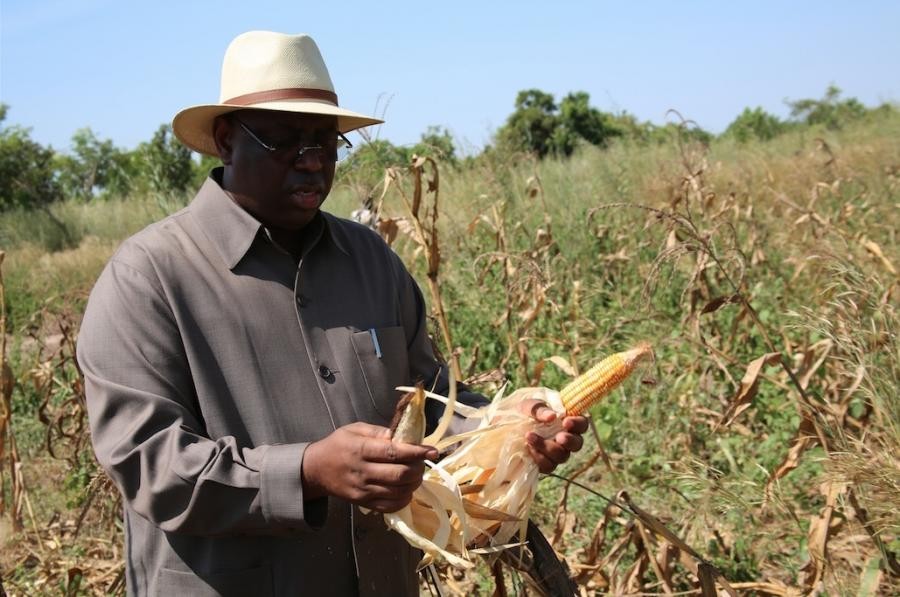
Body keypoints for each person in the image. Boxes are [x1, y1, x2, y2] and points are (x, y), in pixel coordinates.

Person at [77, 31, 589, 596]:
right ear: (226, 140)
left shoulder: (370, 260)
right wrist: (307, 472)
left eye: (326, 142)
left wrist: (507, 431)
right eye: (285, 141)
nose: (313, 162)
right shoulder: (149, 278)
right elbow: (149, 464)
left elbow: (431, 405)